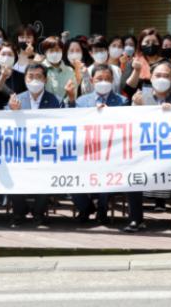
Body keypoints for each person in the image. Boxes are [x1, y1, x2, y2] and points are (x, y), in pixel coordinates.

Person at [124, 60, 171, 232]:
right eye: (158, 75)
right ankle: (136, 219)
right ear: (151, 77)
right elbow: (132, 126)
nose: (161, 79)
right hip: (145, 151)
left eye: (166, 76)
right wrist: (139, 107)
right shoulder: (140, 97)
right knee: (132, 171)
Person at [69, 64, 129, 224]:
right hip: (86, 152)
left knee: (107, 173)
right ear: (91, 80)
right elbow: (74, 124)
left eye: (107, 79)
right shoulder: (81, 101)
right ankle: (86, 207)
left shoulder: (122, 101)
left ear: (113, 80)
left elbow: (127, 127)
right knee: (68, 172)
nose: (103, 82)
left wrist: (110, 115)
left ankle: (102, 211)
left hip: (112, 153)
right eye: (99, 79)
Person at [7, 63, 64, 228]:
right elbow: (3, 123)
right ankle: (19, 212)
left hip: (46, 151)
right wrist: (12, 111)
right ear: (25, 79)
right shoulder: (16, 99)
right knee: (11, 171)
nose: (34, 80)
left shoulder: (56, 101)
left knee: (47, 173)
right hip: (21, 151)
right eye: (30, 76)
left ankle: (38, 213)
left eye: (38, 76)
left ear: (45, 79)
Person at [122, 28, 163, 99]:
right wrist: (136, 70)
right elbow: (126, 89)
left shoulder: (165, 63)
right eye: (147, 42)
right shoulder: (134, 62)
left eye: (154, 42)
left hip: (160, 103)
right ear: (141, 44)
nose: (150, 45)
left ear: (159, 44)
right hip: (137, 103)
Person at [40, 36, 76, 103]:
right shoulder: (39, 69)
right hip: (44, 107)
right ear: (45, 52)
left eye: (57, 50)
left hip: (64, 108)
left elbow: (73, 93)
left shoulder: (69, 71)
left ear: (62, 51)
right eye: (51, 51)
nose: (55, 53)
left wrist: (62, 105)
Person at [0, 42, 27, 109]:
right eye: (3, 54)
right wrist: (3, 76)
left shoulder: (22, 77)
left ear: (15, 58)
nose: (6, 57)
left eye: (10, 55)